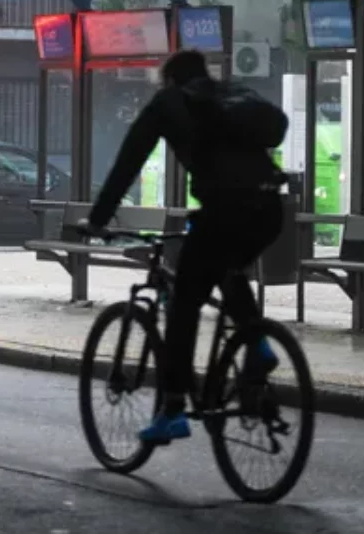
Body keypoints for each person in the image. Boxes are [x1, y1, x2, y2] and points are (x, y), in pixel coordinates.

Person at [81, 50, 285, 445]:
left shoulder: (169, 102)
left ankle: (173, 410)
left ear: (169, 80)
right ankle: (257, 342)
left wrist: (98, 219)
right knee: (227, 268)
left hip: (225, 210)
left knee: (183, 303)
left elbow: (129, 162)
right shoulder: (230, 94)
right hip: (270, 209)